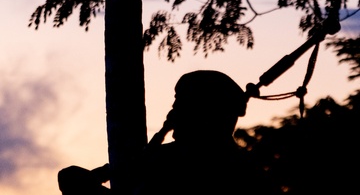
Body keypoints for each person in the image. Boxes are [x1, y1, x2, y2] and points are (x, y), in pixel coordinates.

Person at [58, 70, 277, 195]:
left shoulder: (231, 166)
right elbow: (72, 178)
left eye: (182, 102)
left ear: (207, 111)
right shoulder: (163, 155)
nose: (174, 109)